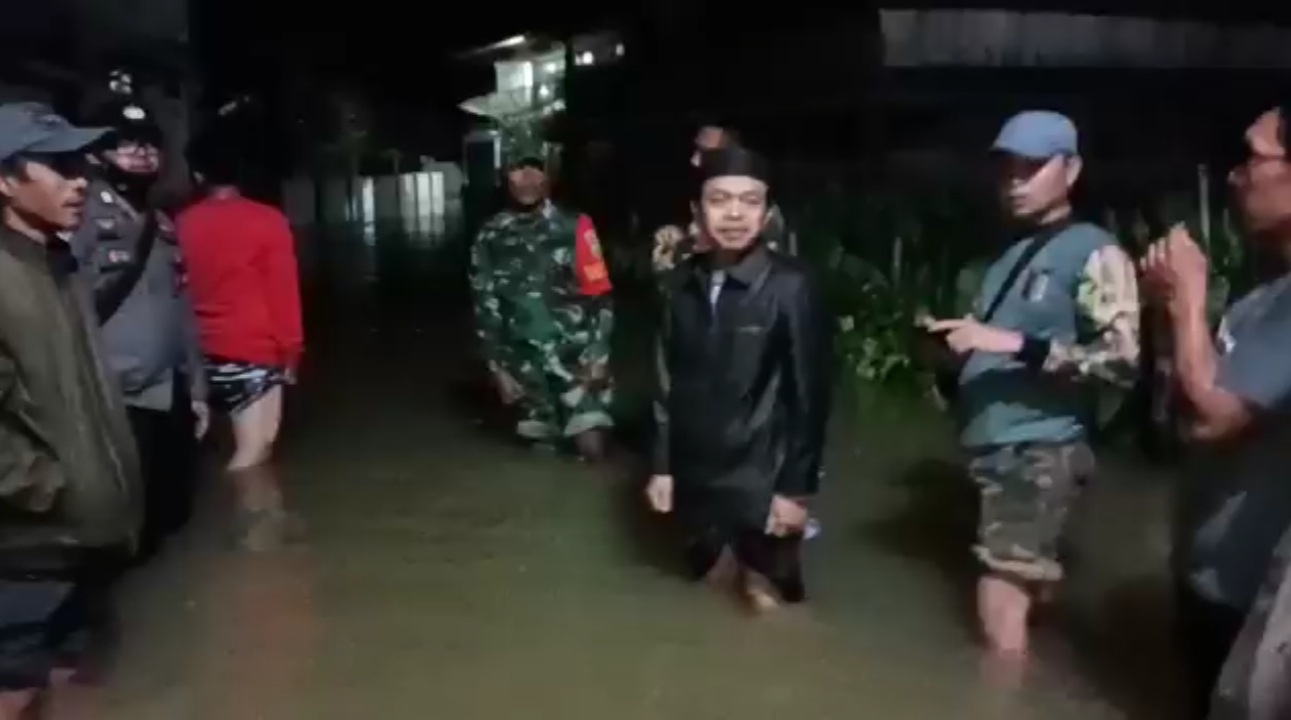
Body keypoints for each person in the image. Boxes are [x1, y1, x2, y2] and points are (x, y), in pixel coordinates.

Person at [923, 110, 1141, 658]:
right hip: (999, 448)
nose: (1016, 182)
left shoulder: (1094, 250)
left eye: (1032, 167)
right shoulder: (1010, 257)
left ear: (1070, 170)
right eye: (1007, 170)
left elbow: (1123, 360)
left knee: (1000, 590)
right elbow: (991, 344)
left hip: (1038, 445)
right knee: (1021, 585)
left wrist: (1017, 345)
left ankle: (1000, 702)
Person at [1140, 105, 1291, 719]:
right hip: (1209, 581)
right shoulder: (1263, 299)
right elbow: (1170, 423)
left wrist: (1190, 296)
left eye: (1252, 158)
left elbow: (1213, 420)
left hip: (1258, 602)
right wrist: (1163, 314)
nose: (1234, 176)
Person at [0, 102, 143, 719]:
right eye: (56, 165)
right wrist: (42, 487)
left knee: (67, 673)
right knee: (16, 682)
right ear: (5, 179)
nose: (79, 178)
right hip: (31, 540)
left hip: (85, 529)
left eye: (79, 161)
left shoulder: (58, 260)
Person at [644, 145, 832, 612]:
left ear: (767, 212)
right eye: (720, 199)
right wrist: (662, 466)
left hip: (762, 475)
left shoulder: (792, 286)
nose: (734, 214)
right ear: (696, 210)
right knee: (710, 582)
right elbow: (665, 382)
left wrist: (794, 489)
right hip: (696, 472)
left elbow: (810, 396)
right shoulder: (679, 285)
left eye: (750, 202)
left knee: (769, 600)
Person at [70, 97, 208, 559]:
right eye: (126, 144)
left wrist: (198, 388)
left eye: (149, 144)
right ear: (96, 154)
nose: (142, 153)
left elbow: (182, 307)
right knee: (129, 526)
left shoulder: (164, 224)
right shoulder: (79, 217)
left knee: (174, 513)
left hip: (169, 391)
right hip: (116, 394)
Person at [176, 144, 304, 552]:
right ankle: (243, 533)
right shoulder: (267, 220)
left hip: (201, 349)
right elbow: (283, 290)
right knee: (254, 449)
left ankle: (249, 522)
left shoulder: (180, 222)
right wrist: (291, 351)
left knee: (242, 446)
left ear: (197, 176)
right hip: (253, 346)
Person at [469, 150, 615, 461]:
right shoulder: (490, 234)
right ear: (505, 178)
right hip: (524, 365)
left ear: (548, 178)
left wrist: (599, 355)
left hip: (577, 360)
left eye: (535, 171)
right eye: (518, 171)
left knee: (592, 448)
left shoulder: (576, 226)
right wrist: (497, 369)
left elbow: (600, 295)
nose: (527, 180)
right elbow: (484, 304)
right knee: (541, 457)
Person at [651, 122, 793, 276]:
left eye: (705, 152)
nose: (694, 160)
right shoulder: (687, 196)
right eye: (695, 151)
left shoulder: (763, 216)